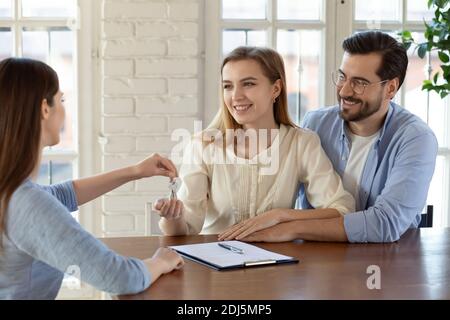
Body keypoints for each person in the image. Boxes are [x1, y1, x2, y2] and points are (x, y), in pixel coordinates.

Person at [222, 31, 438, 243]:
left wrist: (291, 225)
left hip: (388, 263)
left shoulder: (415, 139)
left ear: (390, 88)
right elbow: (281, 187)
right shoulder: (316, 123)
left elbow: (385, 224)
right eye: (343, 77)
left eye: (360, 82)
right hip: (318, 259)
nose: (344, 90)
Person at [0, 57, 184, 300]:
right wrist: (160, 261)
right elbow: (119, 278)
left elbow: (60, 195)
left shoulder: (11, 191)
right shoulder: (26, 203)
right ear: (44, 108)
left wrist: (135, 171)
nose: (64, 108)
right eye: (61, 99)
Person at [155, 46, 355, 237]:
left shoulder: (301, 143)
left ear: (275, 89)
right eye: (228, 86)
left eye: (248, 84)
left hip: (275, 264)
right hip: (215, 264)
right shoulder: (203, 145)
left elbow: (342, 208)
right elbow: (187, 229)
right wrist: (172, 217)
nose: (236, 96)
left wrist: (281, 216)